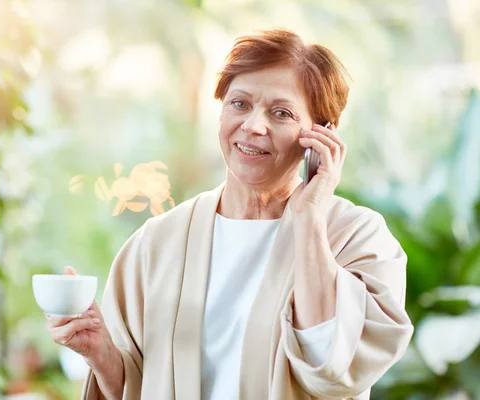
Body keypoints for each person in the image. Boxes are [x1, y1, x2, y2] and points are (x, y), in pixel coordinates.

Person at [43, 28, 414, 399]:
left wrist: (310, 216)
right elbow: (133, 385)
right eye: (239, 103)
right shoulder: (156, 242)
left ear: (320, 136)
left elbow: (332, 370)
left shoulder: (357, 239)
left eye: (281, 113)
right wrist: (100, 352)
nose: (253, 125)